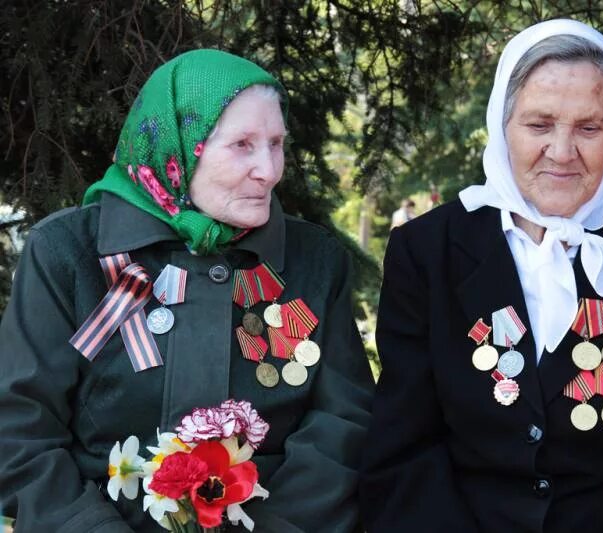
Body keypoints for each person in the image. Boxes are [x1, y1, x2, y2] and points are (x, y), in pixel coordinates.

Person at [360, 19, 603, 533]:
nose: (562, 152)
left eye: (589, 127)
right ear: (502, 123)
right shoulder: (427, 252)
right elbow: (403, 452)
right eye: (539, 125)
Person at [0, 49, 373, 532]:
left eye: (276, 143)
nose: (269, 170)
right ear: (179, 145)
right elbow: (19, 429)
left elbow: (343, 424)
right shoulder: (69, 252)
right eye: (242, 144)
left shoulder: (313, 259)